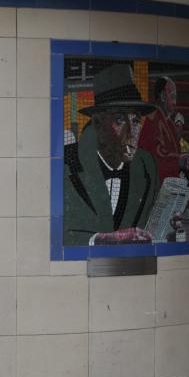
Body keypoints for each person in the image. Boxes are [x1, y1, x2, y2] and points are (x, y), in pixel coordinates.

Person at [63, 64, 160, 246]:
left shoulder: (147, 166)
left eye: (136, 120)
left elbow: (152, 226)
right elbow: (50, 232)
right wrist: (102, 240)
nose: (132, 132)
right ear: (98, 124)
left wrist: (173, 224)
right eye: (120, 120)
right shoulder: (67, 163)